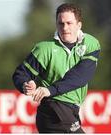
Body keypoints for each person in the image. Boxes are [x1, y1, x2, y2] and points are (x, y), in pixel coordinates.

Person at [12, 3, 101, 133]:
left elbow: (81, 76)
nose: (65, 28)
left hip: (70, 111)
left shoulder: (91, 44)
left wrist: (50, 90)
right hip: (54, 111)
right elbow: (20, 74)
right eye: (61, 23)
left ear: (79, 25)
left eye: (69, 23)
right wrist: (25, 84)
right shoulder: (44, 49)